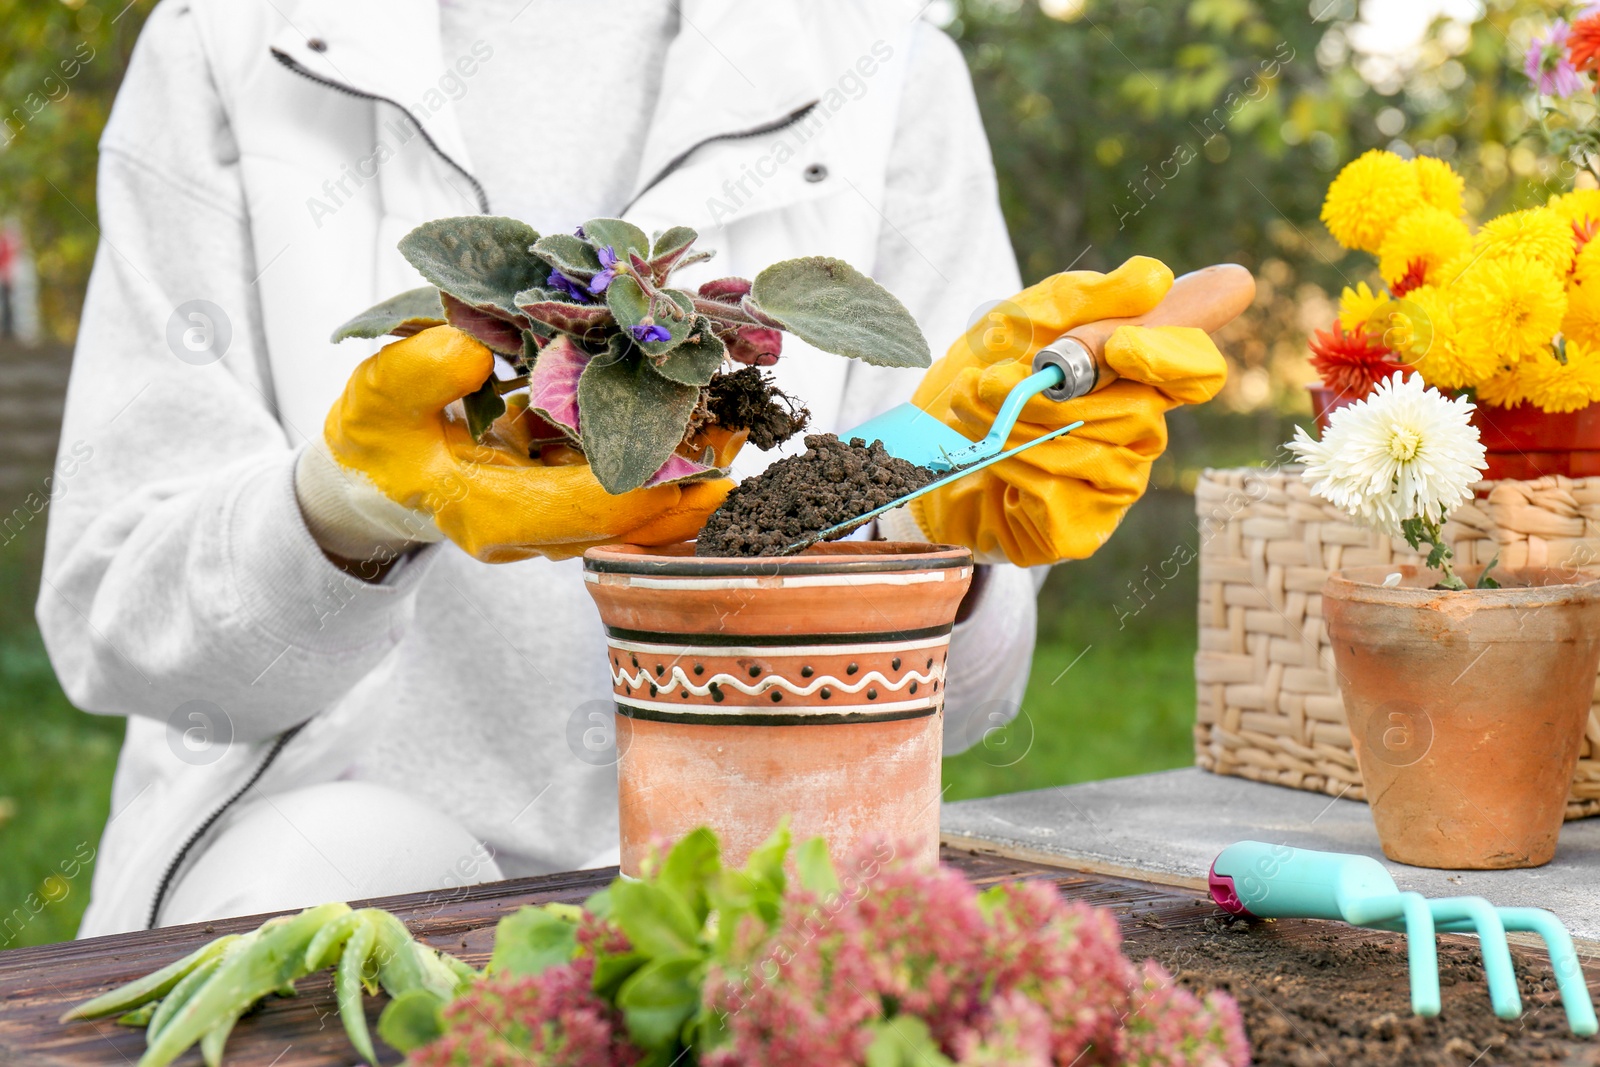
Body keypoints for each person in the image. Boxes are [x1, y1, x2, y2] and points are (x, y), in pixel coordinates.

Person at [39, 0, 1225, 937]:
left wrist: (931, 534)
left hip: (757, 882)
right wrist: (344, 505)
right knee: (357, 853)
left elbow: (960, 703)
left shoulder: (880, 58)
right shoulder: (231, 39)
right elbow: (112, 620)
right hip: (308, 880)